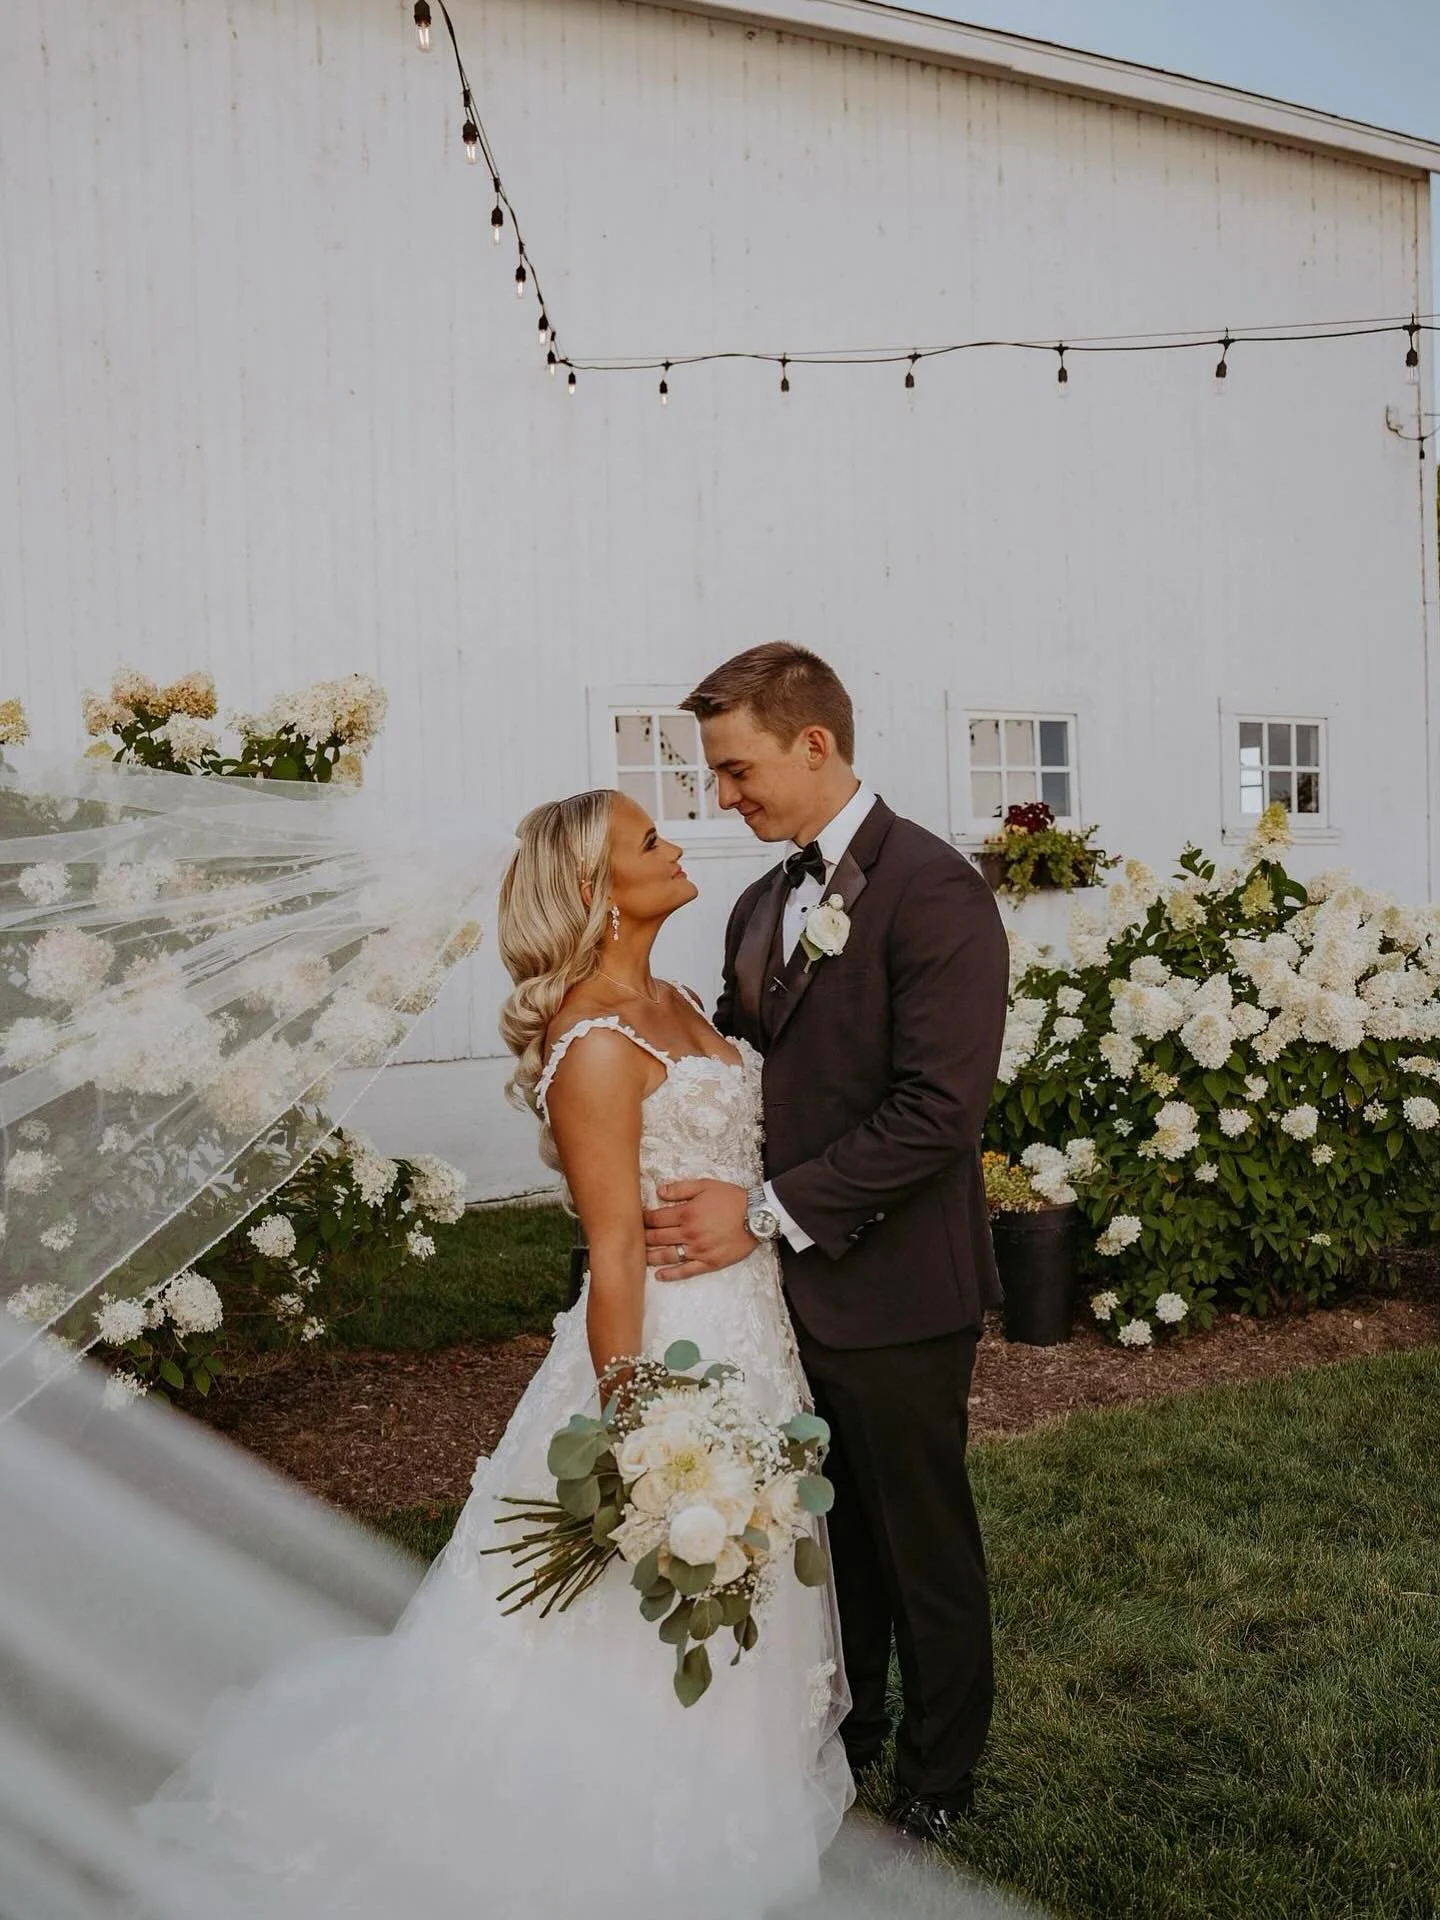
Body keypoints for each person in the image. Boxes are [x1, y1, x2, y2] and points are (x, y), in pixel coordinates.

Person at [131, 786, 852, 1920]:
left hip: (750, 1333)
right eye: (648, 841)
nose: (675, 843)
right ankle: (613, 1840)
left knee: (739, 1581)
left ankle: (718, 1801)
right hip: (671, 1355)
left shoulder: (670, 998)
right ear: (591, 888)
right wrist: (641, 1435)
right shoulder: (594, 1042)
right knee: (637, 1597)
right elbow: (612, 1258)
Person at [642, 643, 1010, 1842]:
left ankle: (938, 1783)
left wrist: (757, 1212)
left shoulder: (937, 890)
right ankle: (840, 1739)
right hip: (780, 1296)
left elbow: (938, 1111)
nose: (724, 798)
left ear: (816, 744)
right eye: (714, 776)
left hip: (900, 1288)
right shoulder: (758, 903)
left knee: (919, 1549)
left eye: (738, 770)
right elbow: (747, 1075)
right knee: (826, 1544)